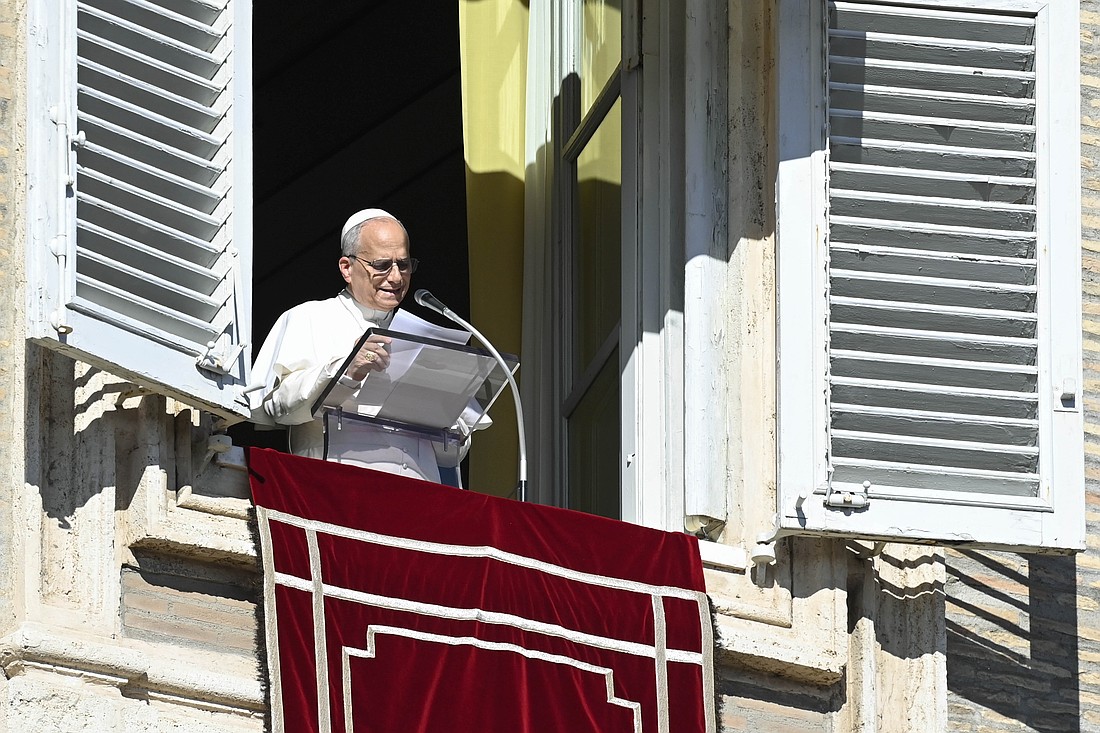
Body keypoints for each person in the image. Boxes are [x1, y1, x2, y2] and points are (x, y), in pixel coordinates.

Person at [249, 208, 474, 484]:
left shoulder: (428, 338)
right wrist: (345, 370)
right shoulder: (308, 317)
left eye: (403, 265)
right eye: (381, 265)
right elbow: (274, 407)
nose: (396, 278)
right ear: (347, 267)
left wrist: (444, 412)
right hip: (337, 490)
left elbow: (451, 456)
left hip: (418, 498)